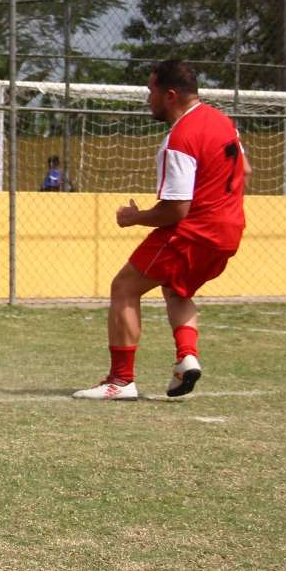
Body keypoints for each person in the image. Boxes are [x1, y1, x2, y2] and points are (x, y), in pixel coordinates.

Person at [74, 59, 248, 401]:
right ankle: (187, 357)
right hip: (229, 230)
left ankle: (120, 381)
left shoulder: (182, 137)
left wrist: (133, 217)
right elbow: (247, 169)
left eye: (151, 91)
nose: (147, 98)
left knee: (124, 287)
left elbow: (176, 209)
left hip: (193, 232)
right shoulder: (223, 122)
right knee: (176, 289)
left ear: (170, 95)